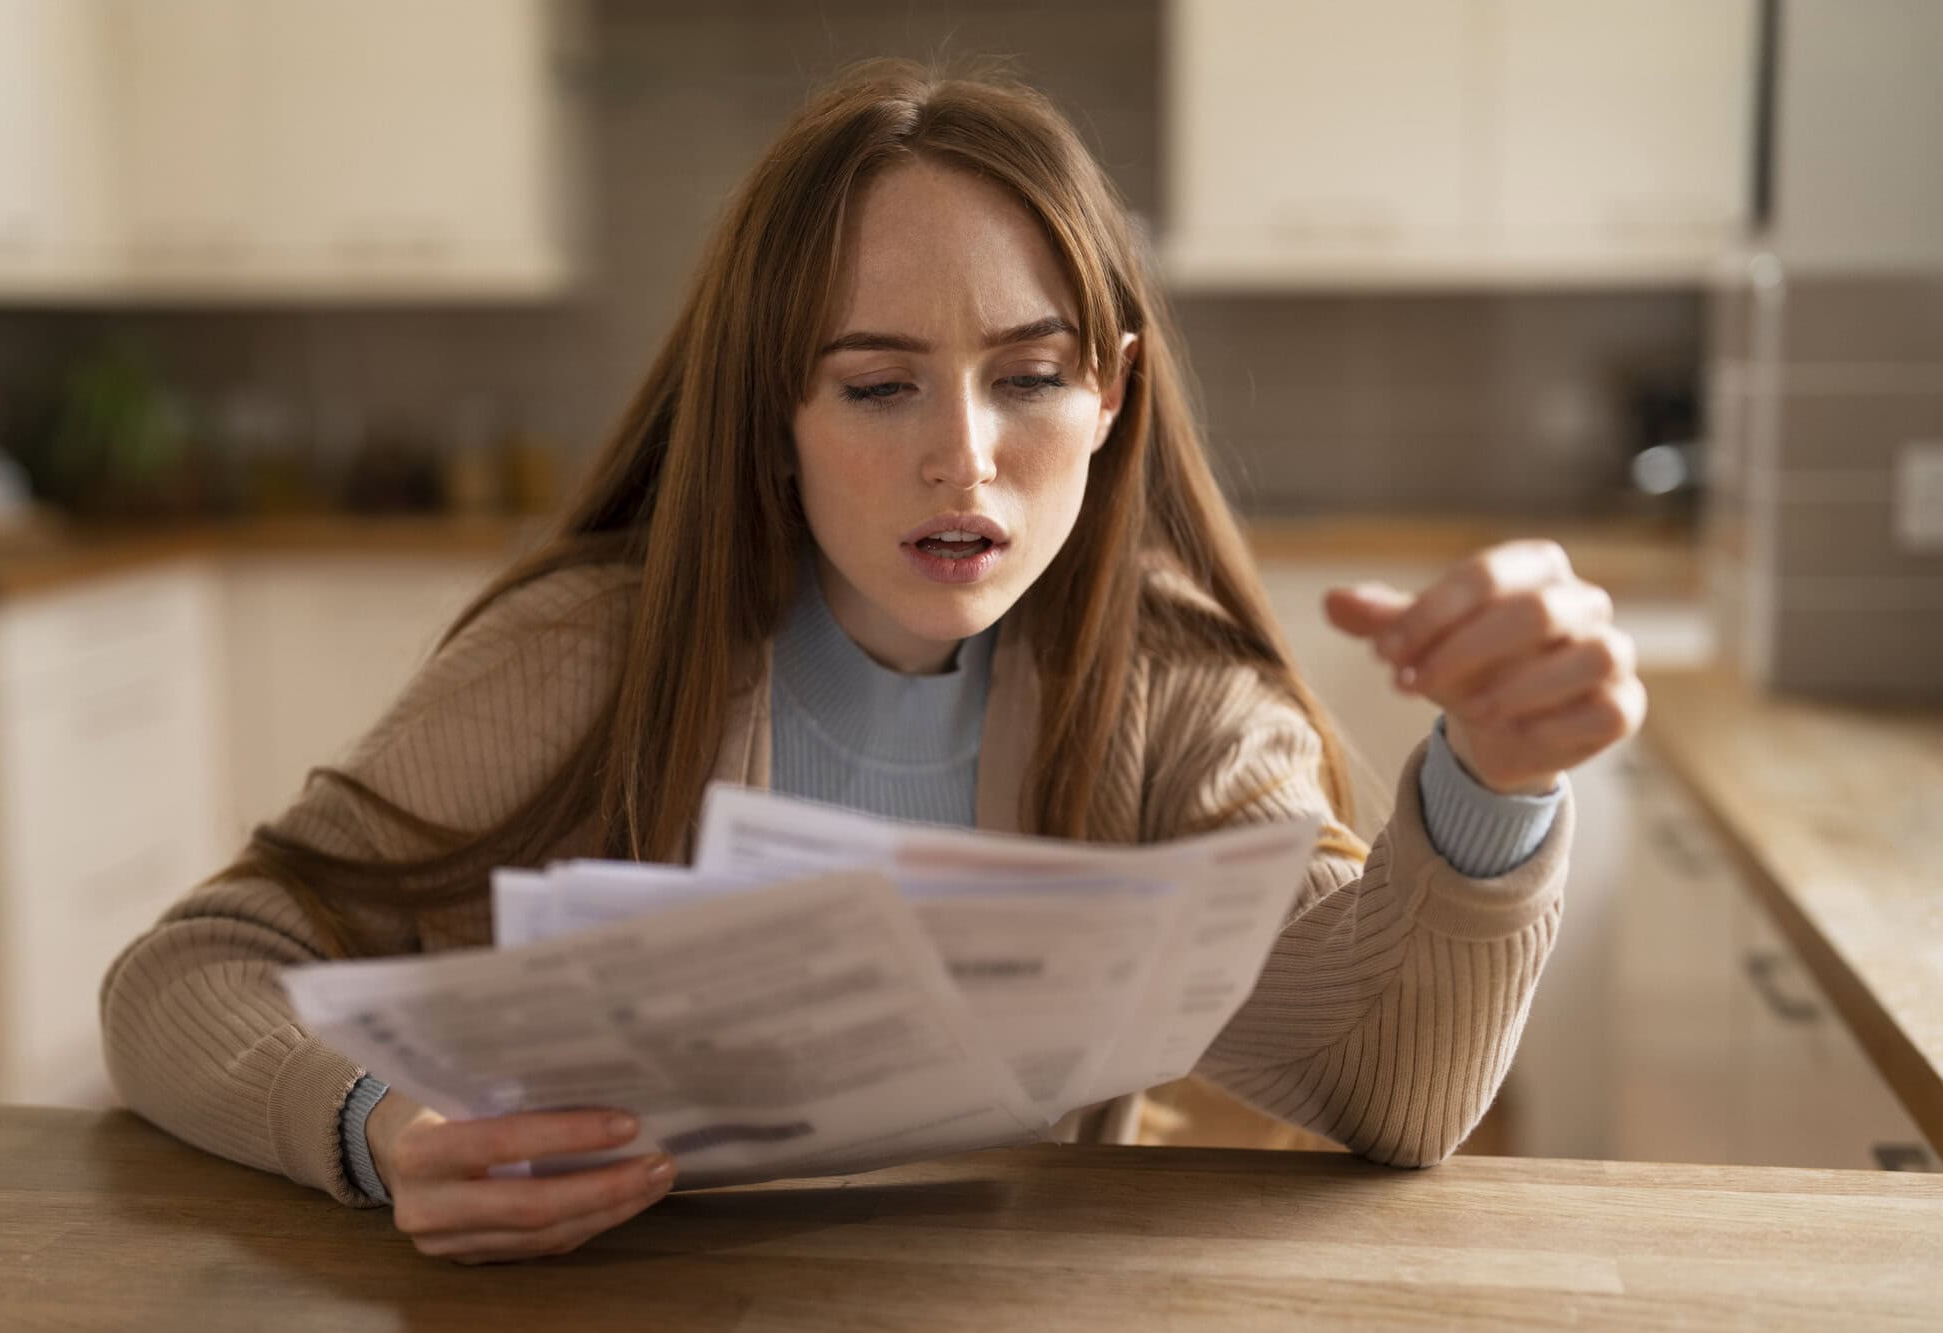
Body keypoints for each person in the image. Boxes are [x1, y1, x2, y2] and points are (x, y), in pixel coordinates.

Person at [100, 59, 1643, 1265]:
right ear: (776, 407)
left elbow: (1389, 1086)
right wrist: (379, 1127)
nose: (962, 460)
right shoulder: (592, 654)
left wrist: (1495, 786)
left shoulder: (1176, 694)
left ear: (1110, 396)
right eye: (876, 386)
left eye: (1029, 376)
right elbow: (187, 973)